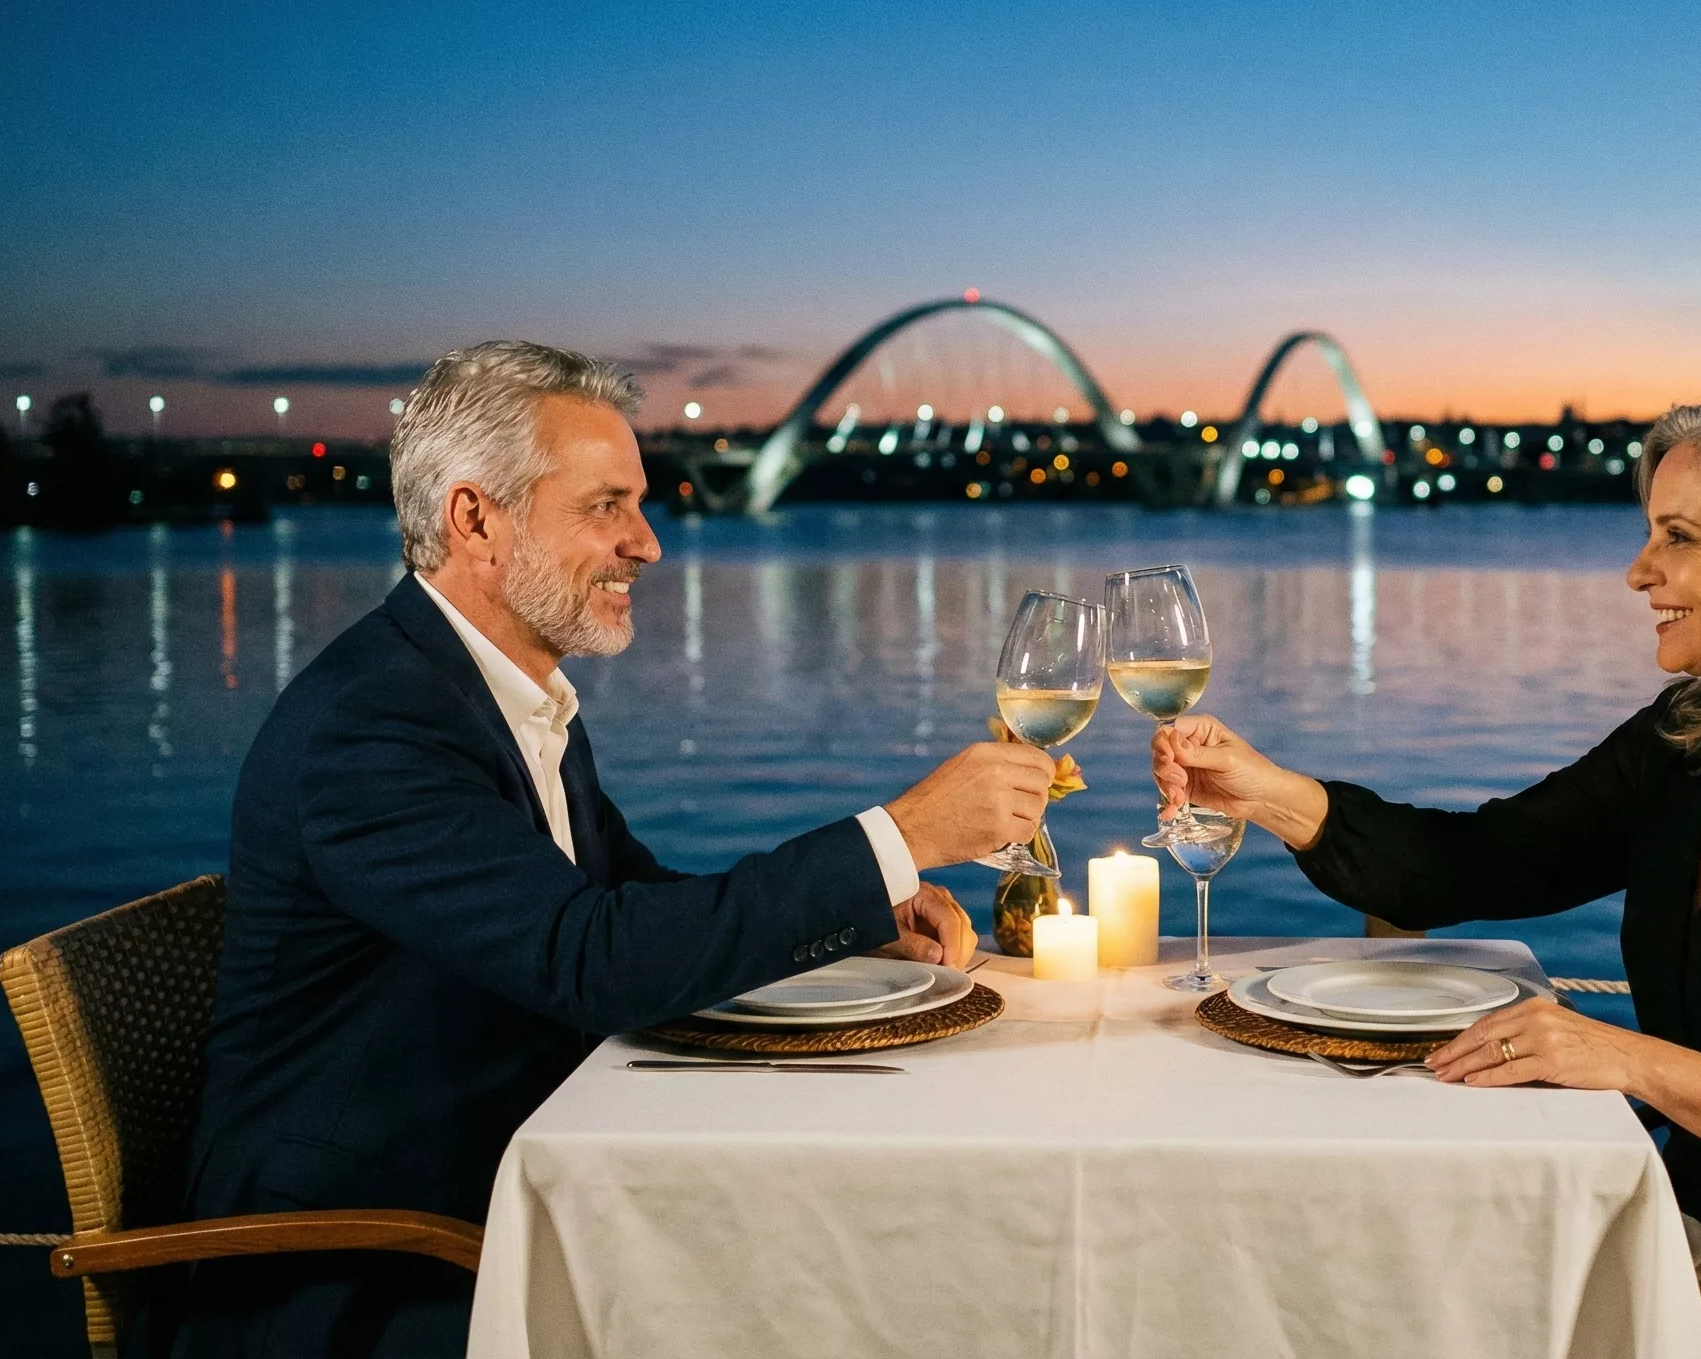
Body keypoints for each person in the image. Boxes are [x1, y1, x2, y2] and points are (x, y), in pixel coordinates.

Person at [161, 342, 1052, 1358]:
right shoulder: (372, 730)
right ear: (475, 519)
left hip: (503, 1183)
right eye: (605, 507)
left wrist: (859, 918)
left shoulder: (498, 692)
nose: (648, 544)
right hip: (354, 1266)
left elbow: (628, 903)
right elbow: (591, 960)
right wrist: (900, 836)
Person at [1152, 387, 1701, 1359]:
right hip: (1699, 1237)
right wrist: (1267, 792)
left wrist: (1629, 1061)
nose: (1638, 571)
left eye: (1678, 537)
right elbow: (1470, 865)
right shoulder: (1687, 745)